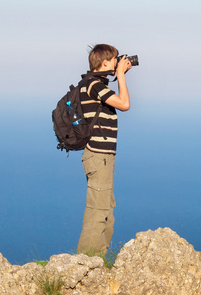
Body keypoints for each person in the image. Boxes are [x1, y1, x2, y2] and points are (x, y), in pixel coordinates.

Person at [76, 44, 132, 256]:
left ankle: (98, 260)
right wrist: (121, 76)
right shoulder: (93, 84)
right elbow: (124, 104)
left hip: (103, 157)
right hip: (98, 156)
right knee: (97, 211)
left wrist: (116, 75)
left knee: (107, 211)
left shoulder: (97, 84)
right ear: (105, 62)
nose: (118, 63)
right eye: (115, 59)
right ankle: (86, 263)